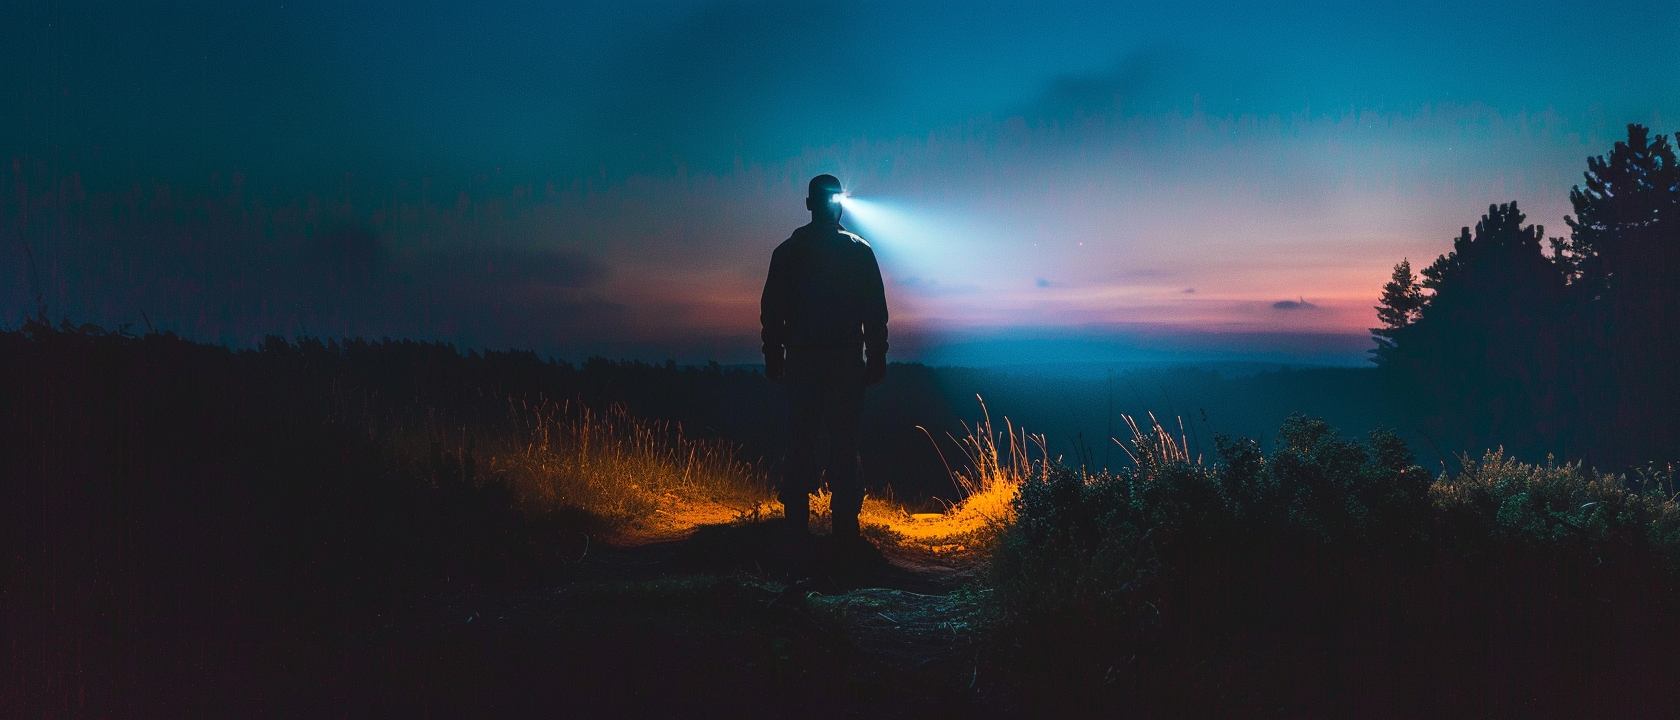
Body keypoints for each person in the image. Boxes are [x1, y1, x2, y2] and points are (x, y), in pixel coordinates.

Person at [760, 174, 888, 543]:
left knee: (800, 439)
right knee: (845, 442)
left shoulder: (786, 252)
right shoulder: (858, 250)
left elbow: (772, 311)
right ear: (840, 203)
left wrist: (774, 355)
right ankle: (845, 528)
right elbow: (875, 311)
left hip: (801, 362)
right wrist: (877, 356)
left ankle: (796, 524)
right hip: (845, 362)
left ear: (809, 204)